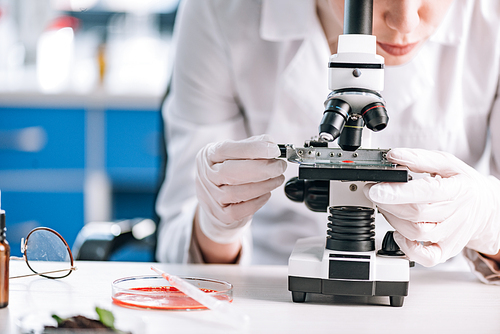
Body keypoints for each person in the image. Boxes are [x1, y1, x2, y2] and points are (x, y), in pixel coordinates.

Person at [155, 0, 500, 283]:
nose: (405, 22)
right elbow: (177, 252)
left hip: (444, 292)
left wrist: (490, 221)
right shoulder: (221, 10)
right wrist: (216, 226)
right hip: (268, 286)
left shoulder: (491, 16)